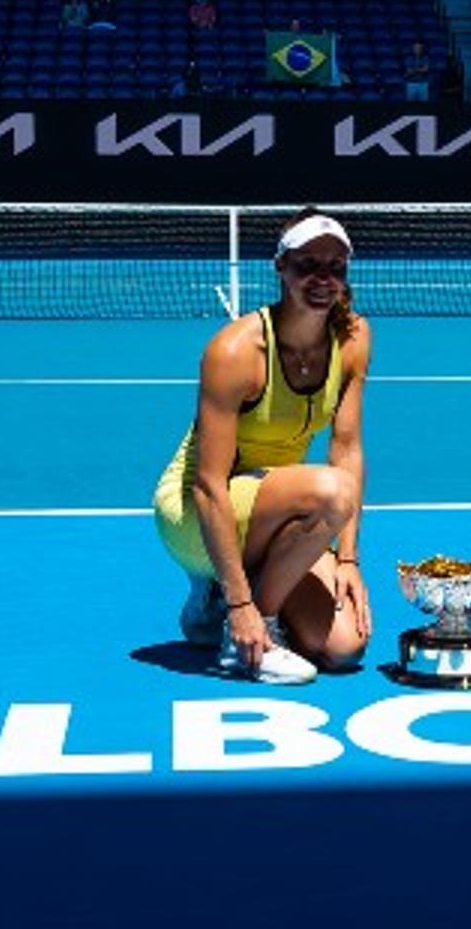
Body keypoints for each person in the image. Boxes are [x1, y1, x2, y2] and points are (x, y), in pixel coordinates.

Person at [153, 211, 374, 684]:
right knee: (333, 492)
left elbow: (347, 447)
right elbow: (209, 486)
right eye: (307, 264)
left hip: (269, 506)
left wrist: (349, 560)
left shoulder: (353, 339)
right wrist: (244, 608)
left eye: (335, 267)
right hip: (193, 516)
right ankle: (247, 627)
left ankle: (222, 595)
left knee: (343, 647)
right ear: (280, 267)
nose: (323, 278)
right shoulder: (235, 352)